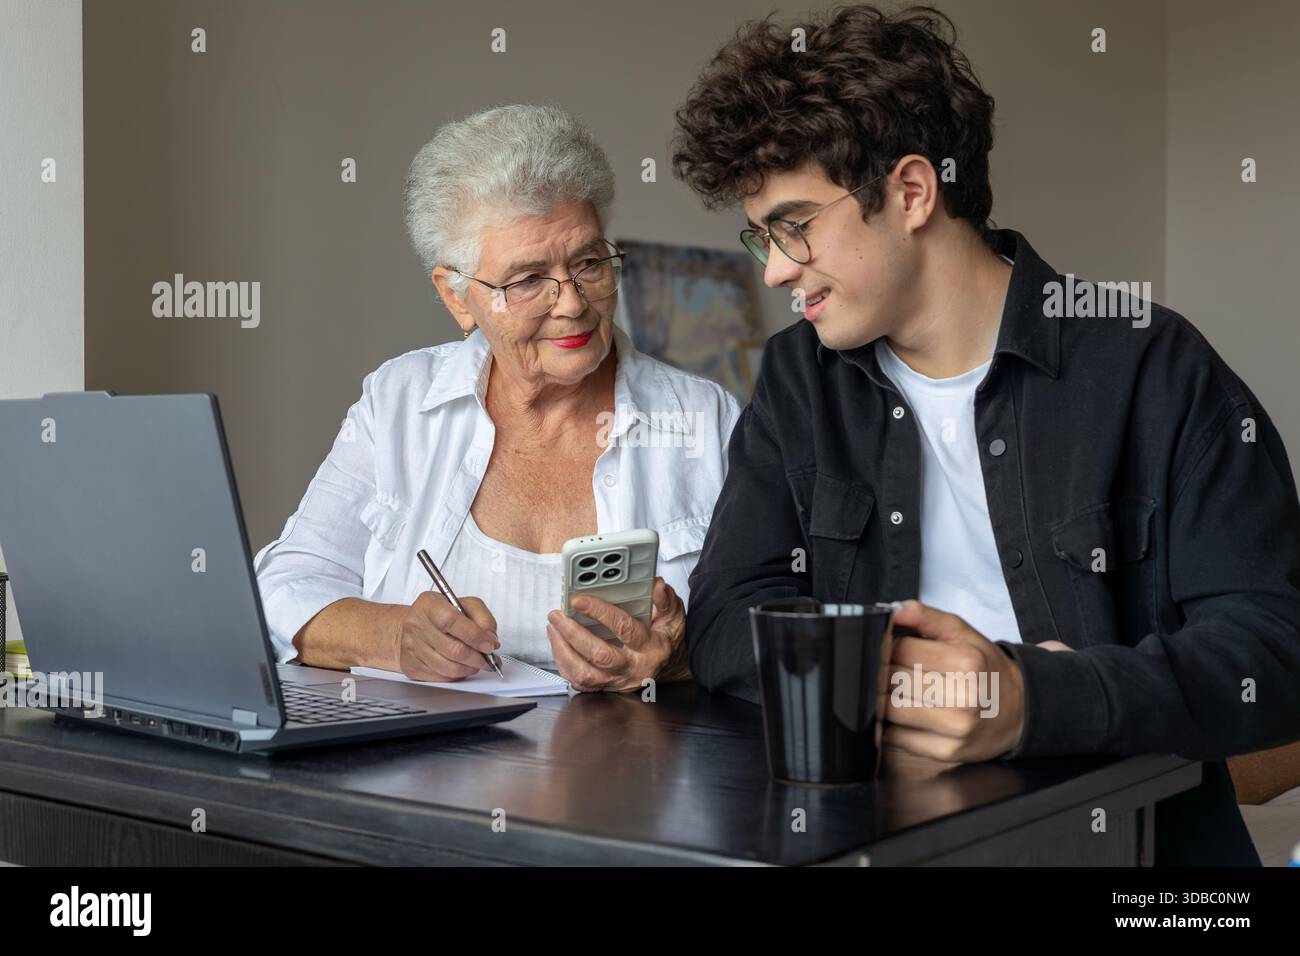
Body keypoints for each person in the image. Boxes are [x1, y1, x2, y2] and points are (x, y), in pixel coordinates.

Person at [672, 4, 1300, 864]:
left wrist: (1034, 699)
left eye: (796, 225)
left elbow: (1273, 650)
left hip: (1135, 852)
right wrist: (900, 682)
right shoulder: (795, 380)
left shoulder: (1154, 363)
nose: (776, 268)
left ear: (912, 192)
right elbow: (721, 622)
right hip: (878, 843)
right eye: (763, 236)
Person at [254, 104, 740, 692]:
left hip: (641, 768)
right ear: (457, 297)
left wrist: (680, 657)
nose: (571, 303)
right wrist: (397, 635)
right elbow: (287, 583)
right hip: (420, 771)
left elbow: (772, 624)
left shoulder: (706, 420)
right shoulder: (401, 402)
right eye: (527, 280)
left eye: (588, 263)